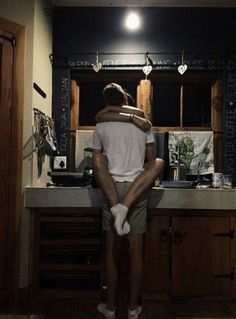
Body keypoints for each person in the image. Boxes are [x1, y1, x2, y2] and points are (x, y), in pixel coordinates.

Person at [92, 83, 164, 319]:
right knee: (135, 252)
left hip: (110, 187)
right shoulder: (144, 124)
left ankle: (110, 308)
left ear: (106, 102)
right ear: (126, 97)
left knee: (113, 252)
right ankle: (133, 308)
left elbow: (97, 161)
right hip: (137, 188)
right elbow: (151, 161)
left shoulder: (101, 123)